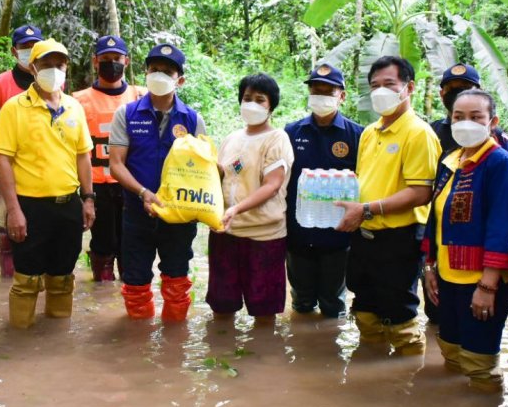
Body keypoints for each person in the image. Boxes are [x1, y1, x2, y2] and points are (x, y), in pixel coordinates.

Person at [335, 56, 441, 355]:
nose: (380, 91)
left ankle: (406, 380)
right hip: (364, 234)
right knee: (365, 307)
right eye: (375, 85)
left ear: (408, 87)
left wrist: (367, 209)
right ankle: (370, 368)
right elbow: (365, 180)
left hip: (400, 237)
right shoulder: (370, 132)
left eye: (389, 84)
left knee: (400, 313)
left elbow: (421, 192)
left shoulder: (418, 133)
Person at [0, 39, 95, 328]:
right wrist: (13, 210)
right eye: (46, 65)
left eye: (59, 65)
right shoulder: (14, 108)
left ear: (66, 68)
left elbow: (83, 157)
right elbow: (3, 161)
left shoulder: (74, 107)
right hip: (30, 208)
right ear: (33, 67)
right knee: (27, 279)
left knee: (62, 277)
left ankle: (56, 341)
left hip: (68, 206)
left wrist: (87, 199)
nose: (53, 70)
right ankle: (20, 341)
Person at [423, 90, 508, 392]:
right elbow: (434, 217)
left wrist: (487, 285)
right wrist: (429, 269)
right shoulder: (450, 160)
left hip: (482, 282)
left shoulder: (501, 165)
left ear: (492, 121)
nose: (466, 123)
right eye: (458, 117)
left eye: (476, 117)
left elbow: (501, 227)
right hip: (447, 276)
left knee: (480, 363)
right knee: (451, 351)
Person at [109, 44, 208, 321]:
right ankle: (139, 346)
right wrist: (143, 193)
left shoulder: (192, 119)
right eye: (154, 70)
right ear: (145, 72)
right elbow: (116, 164)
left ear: (180, 80)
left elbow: (200, 172)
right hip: (137, 213)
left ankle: (174, 345)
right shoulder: (126, 114)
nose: (159, 75)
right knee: (136, 281)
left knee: (177, 280)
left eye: (167, 71)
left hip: (178, 219)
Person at [209, 74, 295, 319]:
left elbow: (272, 185)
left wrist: (236, 209)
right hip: (226, 233)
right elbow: (222, 179)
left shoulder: (277, 139)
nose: (252, 104)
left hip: (264, 236)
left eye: (260, 99)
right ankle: (221, 354)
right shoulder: (231, 139)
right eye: (247, 98)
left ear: (271, 106)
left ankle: (263, 357)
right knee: (221, 307)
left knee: (264, 312)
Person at [284, 64, 363, 318]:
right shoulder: (291, 132)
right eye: (316, 90)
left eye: (328, 91)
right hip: (298, 234)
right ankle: (303, 347)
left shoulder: (357, 136)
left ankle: (328, 351)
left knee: (333, 306)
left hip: (338, 237)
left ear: (342, 95)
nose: (320, 96)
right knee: (301, 302)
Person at [72, 35, 144, 282]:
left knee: (131, 242)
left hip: (131, 184)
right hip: (97, 186)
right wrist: (85, 195)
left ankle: (129, 293)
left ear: (126, 61)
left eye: (116, 59)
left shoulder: (140, 96)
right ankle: (102, 293)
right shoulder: (78, 100)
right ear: (95, 61)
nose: (111, 64)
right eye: (105, 59)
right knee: (103, 244)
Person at [0, 24, 42, 277]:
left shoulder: (53, 81)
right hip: (9, 171)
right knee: (9, 230)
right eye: (24, 47)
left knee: (41, 228)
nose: (29, 51)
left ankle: (38, 274)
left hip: (43, 170)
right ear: (14, 51)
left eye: (34, 47)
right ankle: (9, 281)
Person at [430, 63, 508, 154]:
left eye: (465, 88)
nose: (458, 94)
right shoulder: (431, 131)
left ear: (479, 92)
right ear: (442, 94)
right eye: (451, 89)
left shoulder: (496, 135)